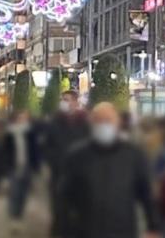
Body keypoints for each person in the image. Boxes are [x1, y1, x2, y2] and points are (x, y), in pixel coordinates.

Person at [61, 102, 159, 238]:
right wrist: (62, 230)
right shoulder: (78, 156)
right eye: (99, 120)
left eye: (108, 120)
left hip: (123, 231)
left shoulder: (133, 155)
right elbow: (65, 197)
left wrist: (153, 226)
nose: (103, 125)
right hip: (86, 230)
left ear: (117, 123)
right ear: (91, 123)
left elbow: (146, 192)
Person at [44, 90, 90, 236]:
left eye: (67, 99)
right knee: (60, 210)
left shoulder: (85, 122)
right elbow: (47, 147)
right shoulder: (55, 122)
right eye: (62, 99)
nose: (63, 103)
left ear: (76, 102)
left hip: (81, 176)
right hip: (59, 174)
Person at [1, 111, 42, 220]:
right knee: (15, 192)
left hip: (27, 167)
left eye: (25, 118)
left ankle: (19, 214)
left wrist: (37, 168)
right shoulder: (10, 134)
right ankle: (14, 216)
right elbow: (5, 152)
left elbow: (35, 151)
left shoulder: (31, 134)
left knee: (24, 192)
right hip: (13, 167)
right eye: (20, 118)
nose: (22, 120)